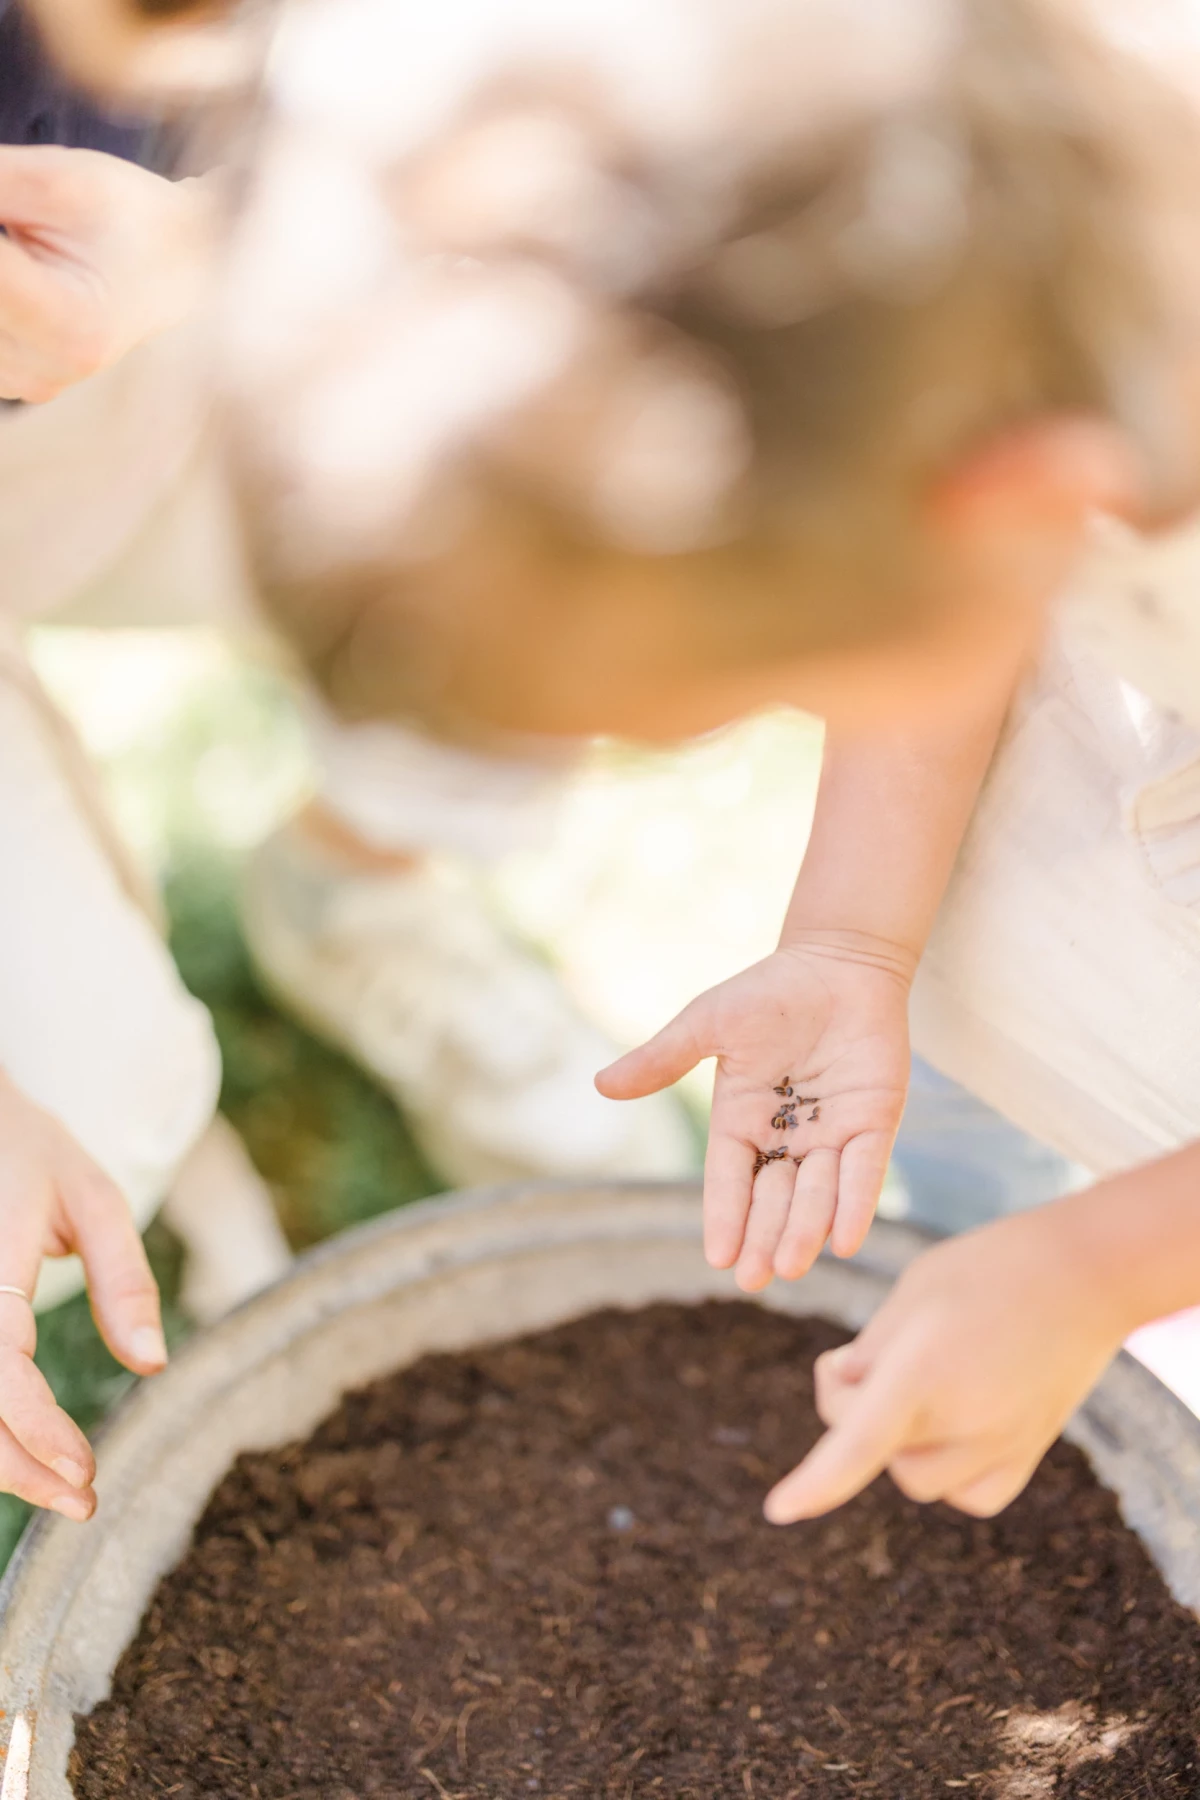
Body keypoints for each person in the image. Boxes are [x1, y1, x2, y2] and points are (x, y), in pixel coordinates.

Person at [217, 0, 1200, 1528]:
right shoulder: (937, 251)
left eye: (785, 681)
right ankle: (979, 1227)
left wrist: (1106, 1264)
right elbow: (942, 546)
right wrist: (855, 933)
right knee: (971, 999)